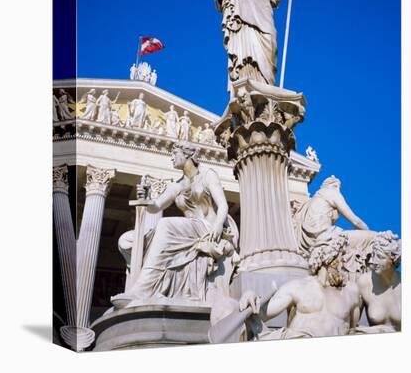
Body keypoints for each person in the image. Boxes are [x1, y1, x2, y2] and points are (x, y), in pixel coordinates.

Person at [114, 142, 239, 307]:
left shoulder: (208, 175)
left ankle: (143, 289)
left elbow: (223, 205)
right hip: (188, 230)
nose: (171, 158)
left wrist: (217, 226)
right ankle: (150, 286)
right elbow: (157, 206)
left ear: (187, 154)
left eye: (174, 153)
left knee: (165, 225)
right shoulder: (178, 184)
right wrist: (146, 198)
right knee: (127, 240)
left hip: (206, 228)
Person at [239, 229, 361, 340]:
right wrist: (250, 294)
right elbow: (261, 314)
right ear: (328, 256)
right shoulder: (297, 287)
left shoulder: (351, 292)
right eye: (341, 255)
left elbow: (352, 330)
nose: (344, 261)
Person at [355, 231, 401, 333]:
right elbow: (352, 327)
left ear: (394, 259)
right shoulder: (364, 283)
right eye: (373, 255)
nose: (373, 261)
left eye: (380, 257)